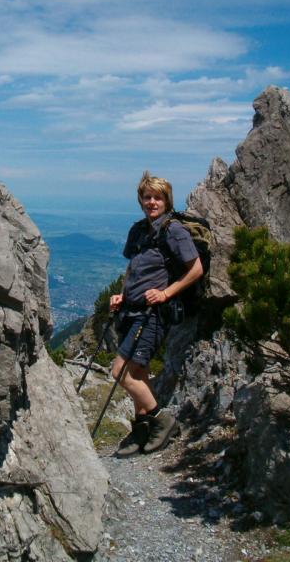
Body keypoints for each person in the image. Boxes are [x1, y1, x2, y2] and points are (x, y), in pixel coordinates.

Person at [109, 171, 203, 457]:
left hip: (153, 314)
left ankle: (163, 420)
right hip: (132, 309)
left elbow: (196, 269)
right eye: (147, 197)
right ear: (141, 200)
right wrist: (123, 294)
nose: (152, 202)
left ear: (167, 200)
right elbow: (134, 269)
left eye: (158, 197)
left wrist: (165, 293)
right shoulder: (139, 230)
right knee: (138, 372)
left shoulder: (174, 231)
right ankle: (142, 430)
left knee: (120, 372)